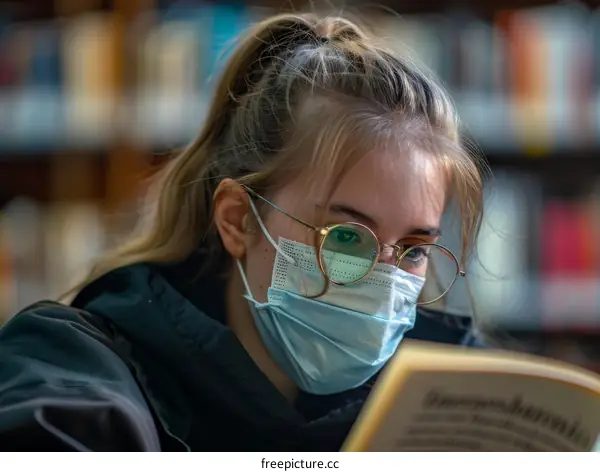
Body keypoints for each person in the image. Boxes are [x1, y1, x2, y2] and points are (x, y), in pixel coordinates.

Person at [0, 12, 487, 451]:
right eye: (345, 237)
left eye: (413, 249)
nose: (384, 284)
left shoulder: (460, 391)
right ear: (238, 219)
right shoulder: (82, 365)